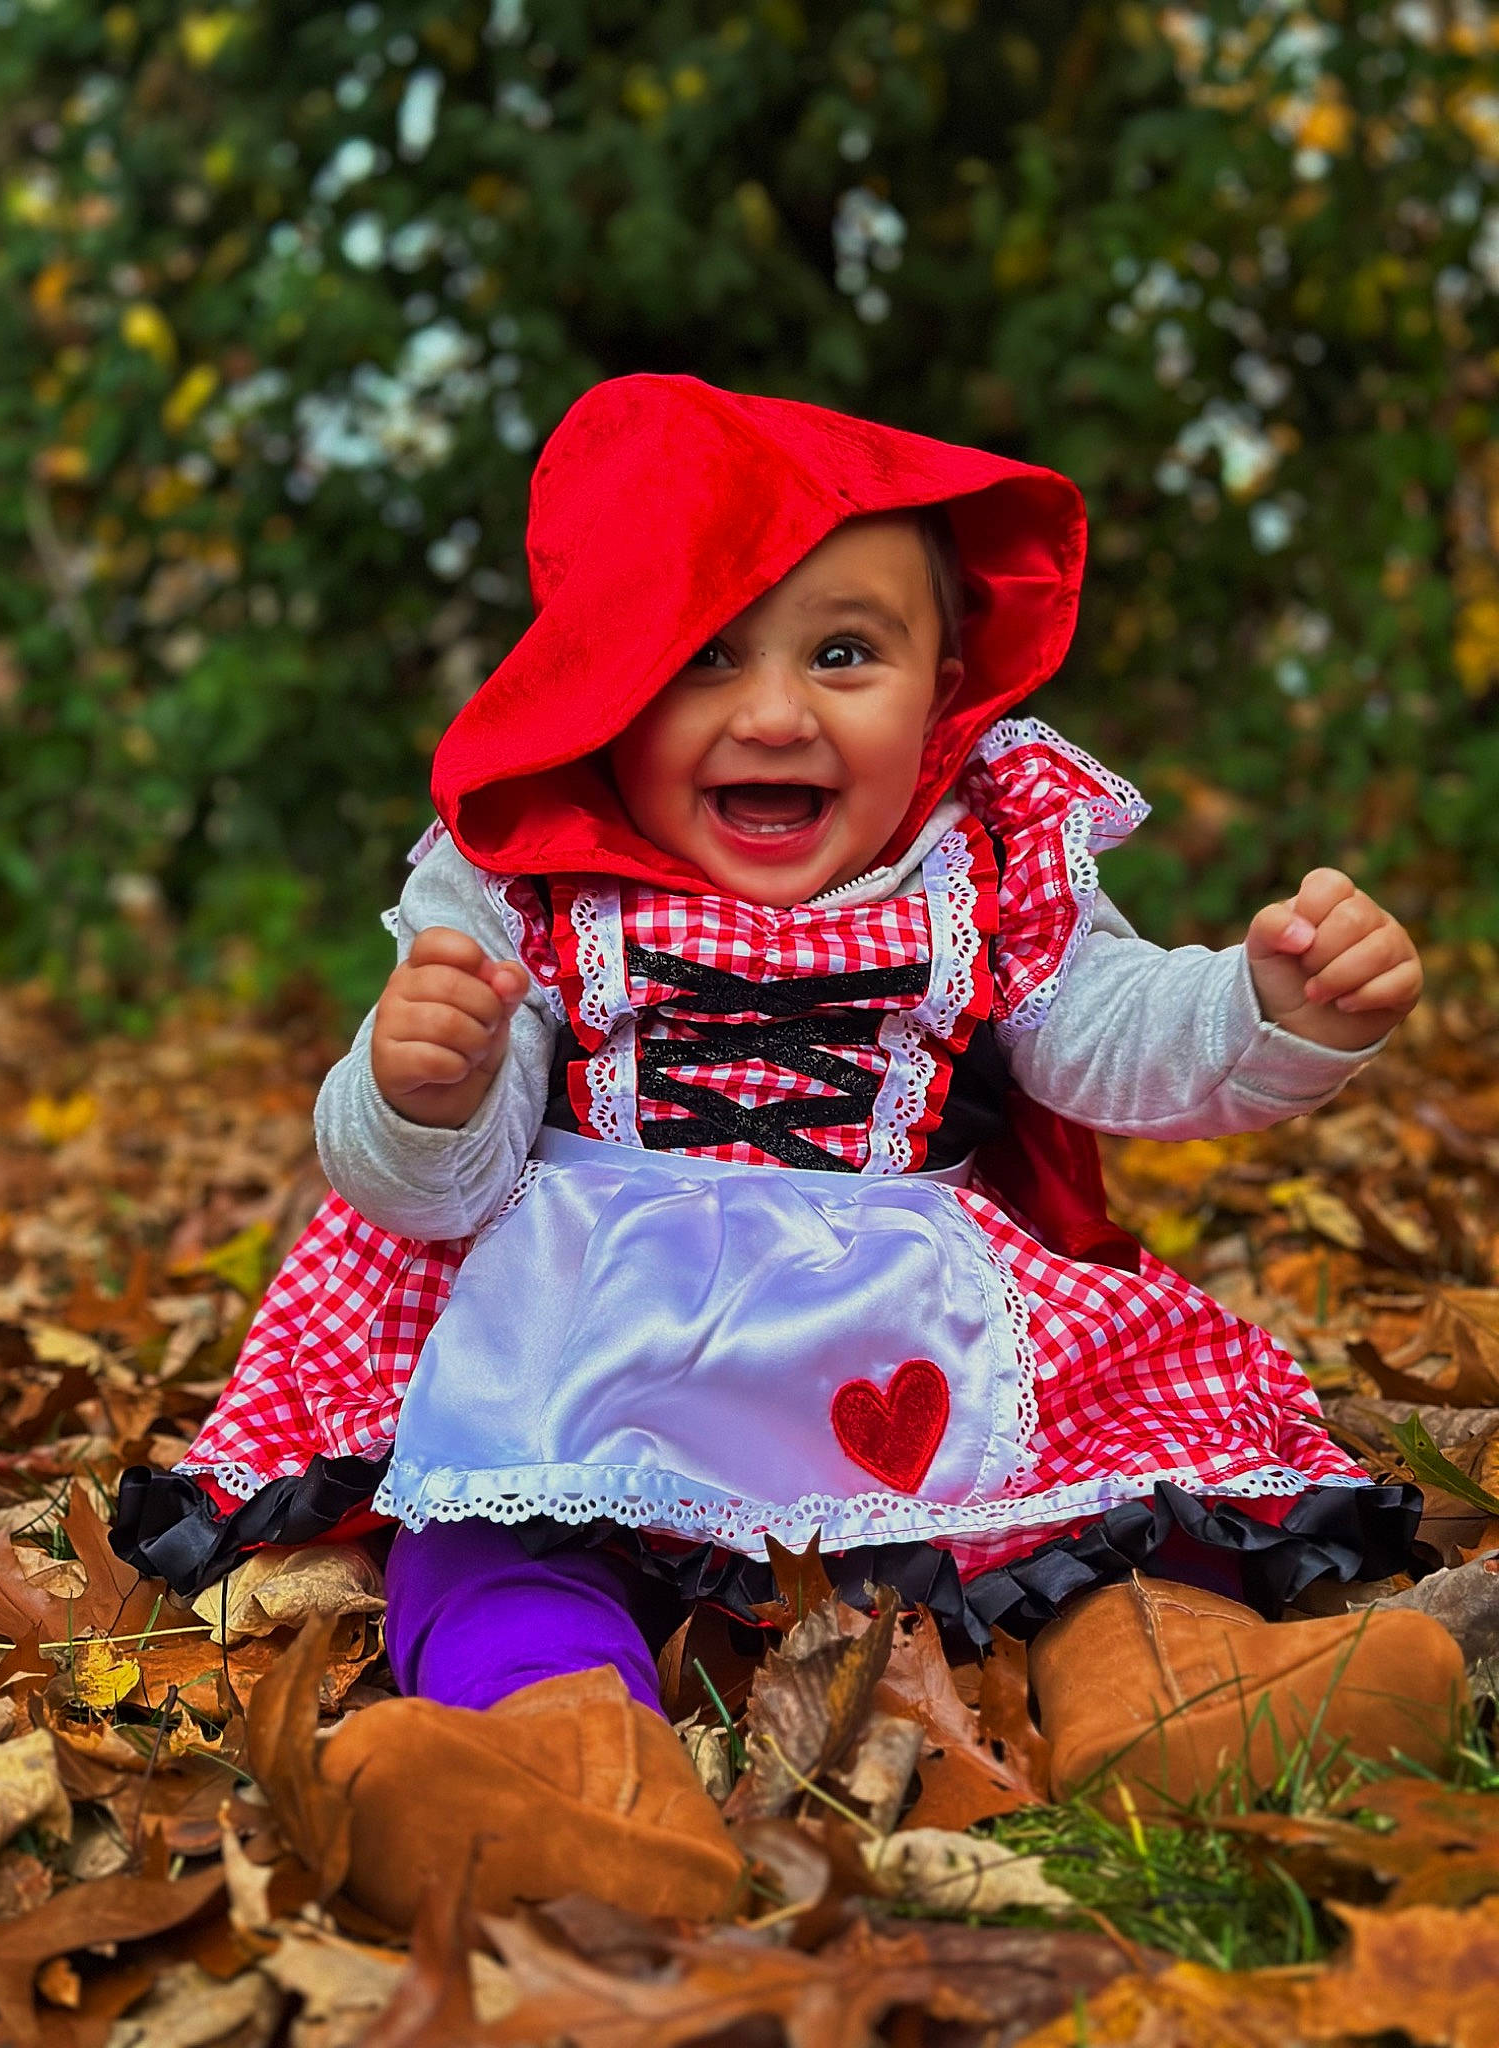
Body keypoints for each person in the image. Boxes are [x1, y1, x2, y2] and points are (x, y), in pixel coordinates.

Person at [114, 376, 1465, 1925]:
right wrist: (423, 1087)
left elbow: (1108, 1033)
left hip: (909, 1315)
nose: (773, 714)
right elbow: (438, 1187)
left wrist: (1265, 1007)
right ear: (603, 686)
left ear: (942, 681)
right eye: (701, 657)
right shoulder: (526, 876)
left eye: (843, 653)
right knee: (492, 1537)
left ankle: (1183, 1693)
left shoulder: (986, 848)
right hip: (590, 1323)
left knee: (1111, 1502)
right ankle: (563, 1771)